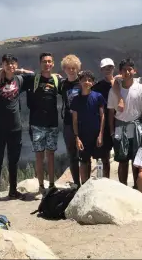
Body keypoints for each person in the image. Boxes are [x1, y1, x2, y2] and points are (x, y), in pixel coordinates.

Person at [0, 54, 34, 202]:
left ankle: (13, 191)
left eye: (13, 63)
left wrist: (19, 70)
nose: (10, 66)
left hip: (15, 127)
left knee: (13, 161)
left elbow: (32, 75)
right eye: (7, 64)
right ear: (2, 65)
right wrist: (1, 72)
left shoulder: (19, 80)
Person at [107, 58, 142, 186]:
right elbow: (110, 112)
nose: (127, 72)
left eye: (129, 69)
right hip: (120, 125)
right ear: (120, 72)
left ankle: (138, 186)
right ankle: (123, 186)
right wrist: (111, 130)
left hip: (136, 124)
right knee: (122, 159)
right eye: (124, 70)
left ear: (134, 71)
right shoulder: (114, 90)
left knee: (136, 159)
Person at [25, 52, 63, 196]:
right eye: (44, 61)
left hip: (52, 124)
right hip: (36, 124)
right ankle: (41, 186)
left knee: (51, 155)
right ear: (40, 63)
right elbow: (15, 79)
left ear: (53, 64)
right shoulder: (33, 79)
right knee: (39, 156)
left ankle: (52, 185)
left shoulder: (56, 80)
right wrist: (20, 70)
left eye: (49, 61)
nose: (47, 64)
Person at [71, 70, 106, 184]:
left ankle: (100, 182)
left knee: (99, 160)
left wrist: (101, 134)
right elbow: (74, 120)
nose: (87, 82)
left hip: (96, 134)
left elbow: (102, 116)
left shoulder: (98, 96)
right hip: (83, 135)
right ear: (80, 82)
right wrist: (77, 138)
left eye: (89, 80)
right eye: (84, 80)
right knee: (84, 162)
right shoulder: (76, 99)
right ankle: (85, 185)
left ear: (93, 83)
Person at [59, 55, 83, 188]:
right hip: (68, 122)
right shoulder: (63, 84)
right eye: (69, 68)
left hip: (83, 122)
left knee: (84, 153)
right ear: (65, 69)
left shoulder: (83, 82)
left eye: (74, 68)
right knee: (72, 153)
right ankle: (76, 183)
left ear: (78, 68)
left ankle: (84, 181)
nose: (72, 70)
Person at [91, 58, 116, 178]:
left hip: (120, 123)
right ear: (101, 70)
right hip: (103, 125)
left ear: (114, 68)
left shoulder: (120, 83)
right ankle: (103, 180)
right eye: (105, 68)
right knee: (103, 156)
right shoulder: (97, 87)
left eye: (110, 67)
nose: (108, 70)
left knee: (124, 157)